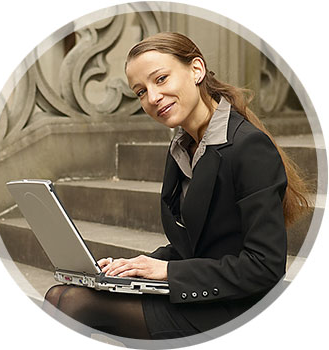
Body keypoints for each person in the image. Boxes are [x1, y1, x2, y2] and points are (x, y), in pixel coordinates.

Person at [43, 32, 309, 340]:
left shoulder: (248, 147)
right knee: (63, 293)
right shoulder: (184, 145)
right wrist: (138, 266)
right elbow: (197, 243)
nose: (152, 98)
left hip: (236, 305)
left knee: (73, 303)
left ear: (196, 70)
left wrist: (168, 273)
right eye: (140, 91)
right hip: (200, 290)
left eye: (161, 79)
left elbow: (265, 267)